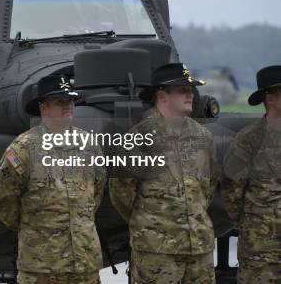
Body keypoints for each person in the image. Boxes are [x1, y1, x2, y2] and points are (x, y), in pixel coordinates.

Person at [109, 63, 218, 284]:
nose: (191, 95)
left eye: (190, 90)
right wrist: (149, 222)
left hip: (199, 247)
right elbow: (121, 194)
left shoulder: (203, 137)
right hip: (156, 250)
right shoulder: (138, 139)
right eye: (182, 90)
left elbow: (209, 185)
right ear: (162, 96)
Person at [0, 74, 106, 284]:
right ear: (44, 107)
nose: (68, 106)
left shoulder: (89, 145)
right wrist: (35, 227)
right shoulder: (24, 148)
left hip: (85, 263)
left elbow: (96, 192)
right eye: (60, 102)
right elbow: (4, 201)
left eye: (70, 101)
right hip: (42, 266)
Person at [222, 65, 281, 283]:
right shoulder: (249, 139)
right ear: (270, 99)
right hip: (261, 250)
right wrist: (254, 223)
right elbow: (231, 192)